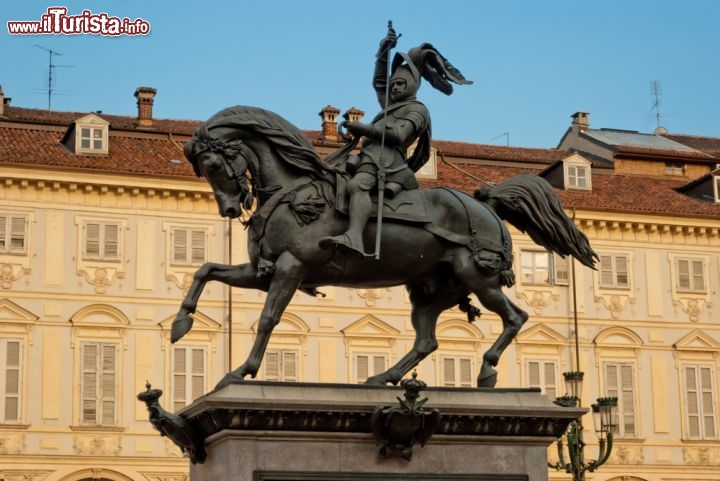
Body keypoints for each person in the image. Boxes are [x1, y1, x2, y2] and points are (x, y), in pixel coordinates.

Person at [319, 25, 471, 257]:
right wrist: (383, 50)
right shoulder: (390, 105)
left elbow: (398, 135)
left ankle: (355, 237)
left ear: (412, 85)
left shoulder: (417, 110)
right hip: (368, 157)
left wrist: (362, 128)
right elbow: (379, 81)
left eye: (400, 84)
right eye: (393, 85)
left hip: (386, 162)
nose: (394, 88)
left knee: (357, 185)